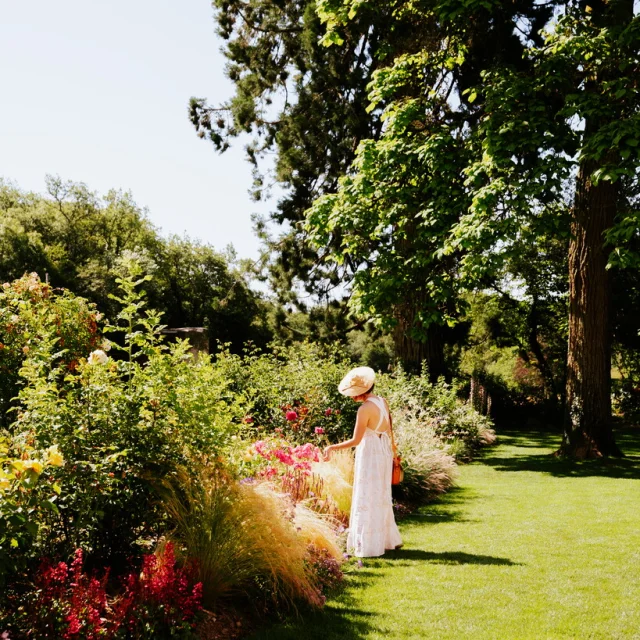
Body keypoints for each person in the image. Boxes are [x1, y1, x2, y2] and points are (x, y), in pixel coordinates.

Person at [323, 366, 403, 557]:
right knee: (381, 494)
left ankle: (368, 544)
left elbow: (355, 441)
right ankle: (386, 540)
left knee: (366, 494)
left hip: (369, 454)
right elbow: (389, 429)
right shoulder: (383, 402)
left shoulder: (364, 409)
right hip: (382, 452)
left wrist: (331, 447)